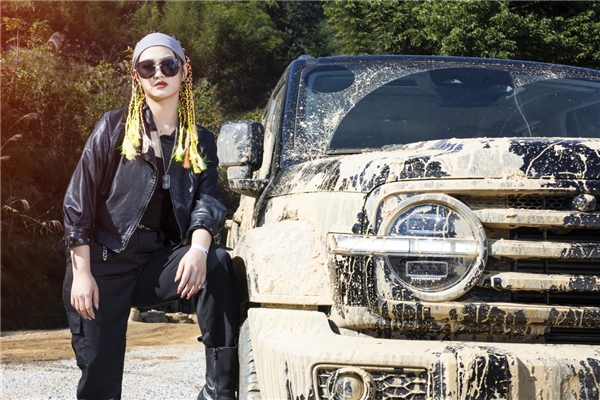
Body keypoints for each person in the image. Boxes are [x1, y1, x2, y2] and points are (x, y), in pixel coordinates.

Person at [54, 32, 239, 400]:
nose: (158, 73)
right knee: (100, 383)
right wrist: (82, 273)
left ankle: (218, 392)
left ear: (184, 71)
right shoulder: (114, 127)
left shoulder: (199, 140)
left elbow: (208, 202)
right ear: (137, 76)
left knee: (217, 262)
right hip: (103, 265)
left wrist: (198, 250)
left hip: (155, 262)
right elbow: (78, 203)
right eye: (147, 66)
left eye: (168, 65)